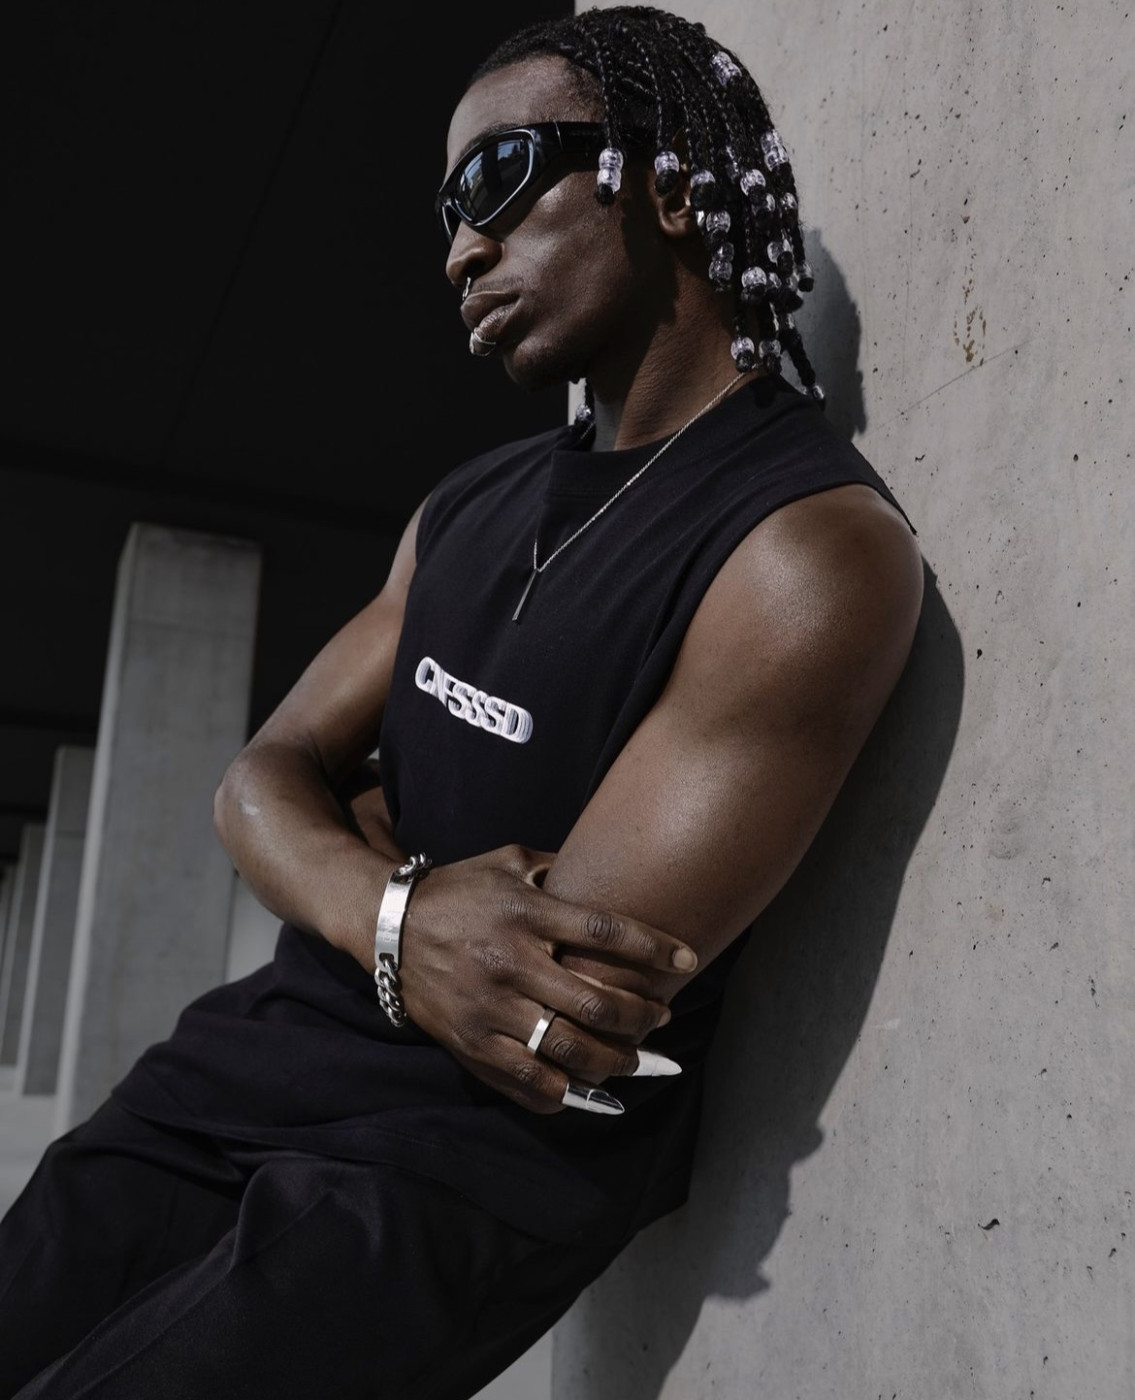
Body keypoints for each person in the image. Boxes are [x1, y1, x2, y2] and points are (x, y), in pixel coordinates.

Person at [0, 6, 924, 1397]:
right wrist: (401, 912)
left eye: (497, 179)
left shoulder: (801, 554)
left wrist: (351, 842)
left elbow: (545, 1002)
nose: (458, 250)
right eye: (447, 213)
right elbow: (254, 783)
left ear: (670, 186)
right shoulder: (462, 510)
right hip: (233, 1073)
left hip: (456, 1166)